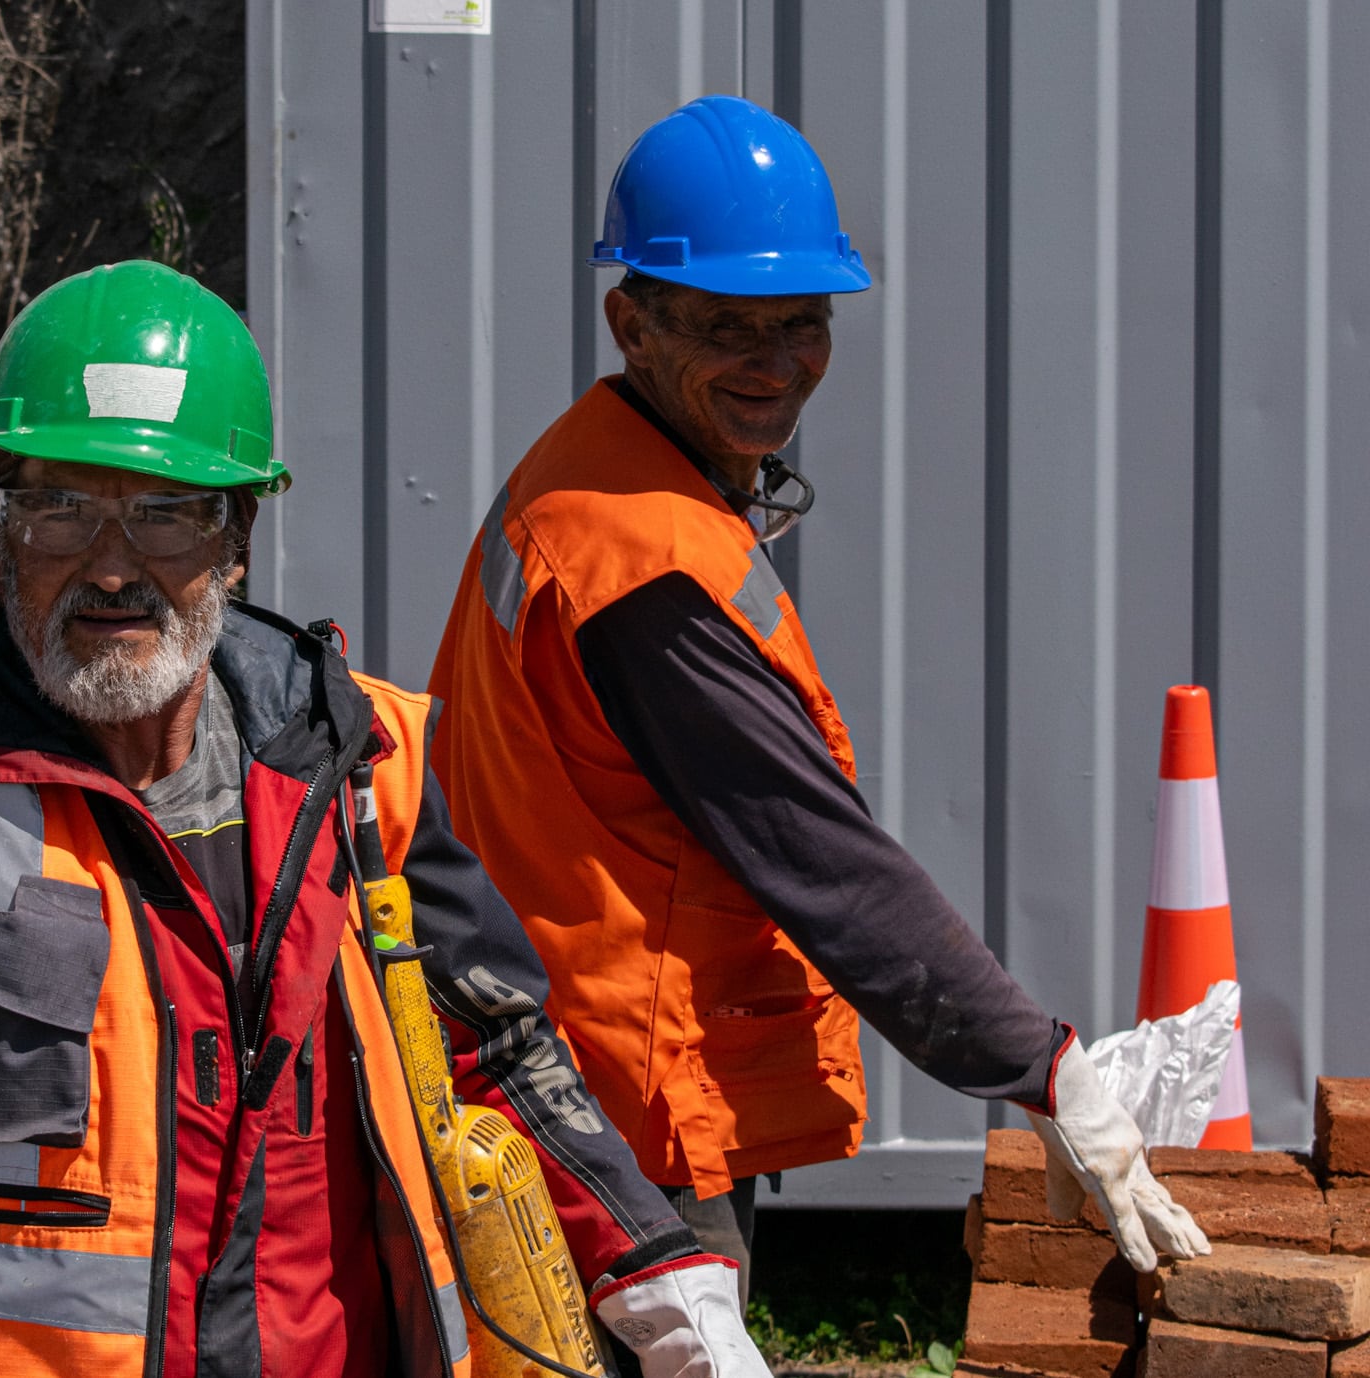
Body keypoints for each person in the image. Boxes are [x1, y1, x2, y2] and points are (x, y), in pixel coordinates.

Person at [0, 260, 779, 1377]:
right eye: (63, 505)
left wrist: (655, 1267)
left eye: (165, 510)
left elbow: (492, 1047)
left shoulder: (350, 761)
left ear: (235, 537)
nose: (113, 564)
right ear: (0, 529)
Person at [425, 96, 1210, 1299]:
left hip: (575, 1076)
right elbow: (819, 861)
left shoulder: (600, 471)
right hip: (618, 1116)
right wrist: (1045, 1070)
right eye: (726, 327)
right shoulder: (640, 567)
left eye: (802, 322)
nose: (776, 363)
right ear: (628, 322)